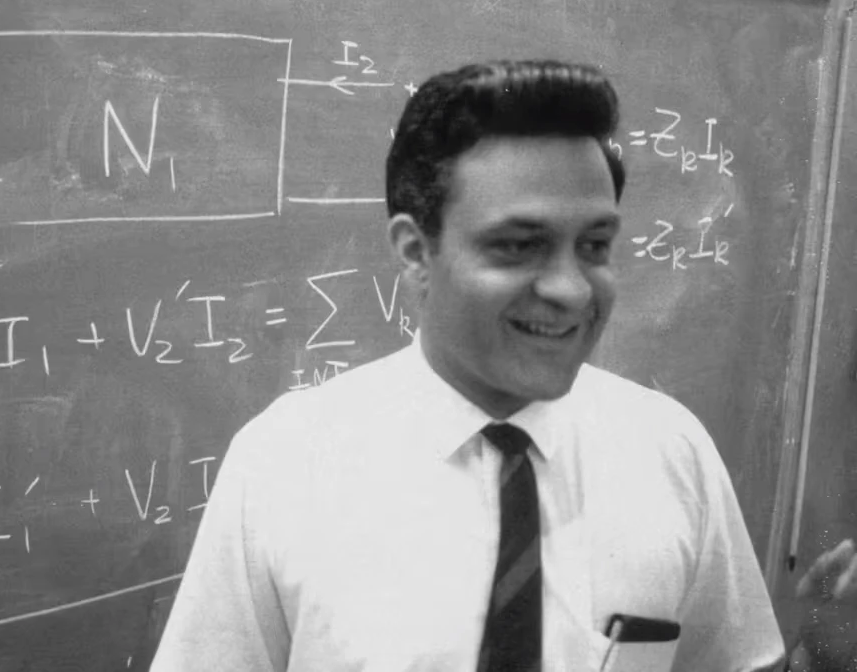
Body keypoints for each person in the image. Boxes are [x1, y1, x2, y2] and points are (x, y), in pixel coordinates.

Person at [149, 59, 852, 671]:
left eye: (595, 245)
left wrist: (828, 655)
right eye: (518, 246)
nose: (571, 289)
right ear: (416, 252)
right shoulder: (284, 465)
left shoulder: (671, 452)